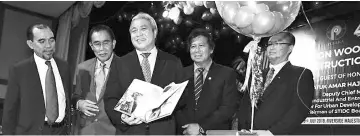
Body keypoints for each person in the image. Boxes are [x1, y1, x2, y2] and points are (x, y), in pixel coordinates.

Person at [104, 12, 183, 135]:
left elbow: (183, 102)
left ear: (155, 32)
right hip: (130, 132)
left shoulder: (173, 62)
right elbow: (110, 99)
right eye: (134, 31)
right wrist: (122, 117)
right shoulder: (119, 63)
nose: (138, 34)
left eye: (143, 29)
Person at [237, 32, 315, 135]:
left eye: (277, 43)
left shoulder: (301, 74)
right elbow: (244, 105)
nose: (271, 48)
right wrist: (243, 129)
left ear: (290, 48)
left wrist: (272, 133)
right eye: (269, 44)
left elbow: (299, 110)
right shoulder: (257, 74)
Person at [2, 23, 71, 135]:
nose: (49, 46)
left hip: (61, 131)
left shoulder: (64, 67)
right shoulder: (19, 70)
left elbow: (67, 98)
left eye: (51, 40)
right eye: (42, 41)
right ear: (30, 44)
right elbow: (10, 111)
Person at [175, 28, 239, 135]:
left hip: (214, 132)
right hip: (186, 132)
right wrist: (187, 128)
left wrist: (201, 127)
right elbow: (175, 106)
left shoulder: (226, 74)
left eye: (201, 46)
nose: (197, 50)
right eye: (193, 46)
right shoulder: (181, 74)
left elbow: (228, 108)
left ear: (211, 49)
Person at [72, 24, 118, 135]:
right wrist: (79, 103)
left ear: (113, 43)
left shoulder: (125, 67)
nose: (101, 48)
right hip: (85, 130)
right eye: (97, 44)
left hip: (113, 132)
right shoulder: (82, 68)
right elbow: (74, 95)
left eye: (106, 43)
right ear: (91, 46)